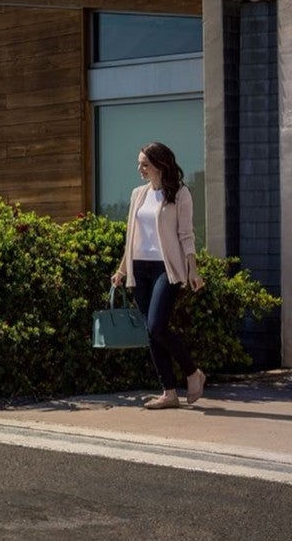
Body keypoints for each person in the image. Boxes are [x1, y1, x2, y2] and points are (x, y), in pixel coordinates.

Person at [110, 142, 206, 410]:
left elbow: (186, 236)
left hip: (167, 268)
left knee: (156, 326)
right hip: (139, 267)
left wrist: (193, 270)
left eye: (145, 164)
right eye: (139, 163)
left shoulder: (180, 194)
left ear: (160, 165)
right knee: (152, 333)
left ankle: (192, 372)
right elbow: (131, 236)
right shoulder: (138, 194)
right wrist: (122, 269)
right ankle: (169, 392)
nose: (139, 168)